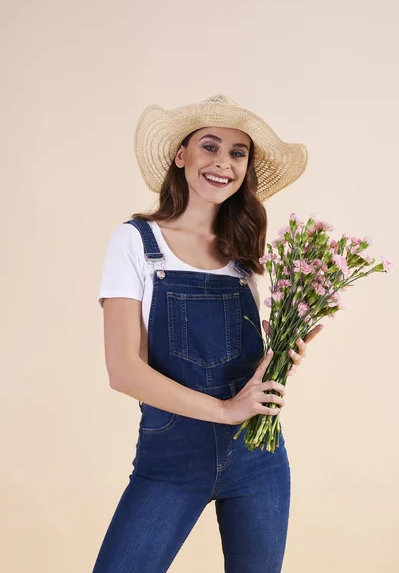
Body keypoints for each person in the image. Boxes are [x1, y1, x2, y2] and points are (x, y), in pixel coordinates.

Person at [92, 94, 322, 572]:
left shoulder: (242, 256)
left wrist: (279, 359)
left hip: (258, 457)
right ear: (182, 156)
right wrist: (223, 409)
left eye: (237, 153)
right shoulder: (136, 242)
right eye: (210, 146)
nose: (223, 163)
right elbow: (124, 371)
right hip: (171, 459)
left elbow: (238, 370)